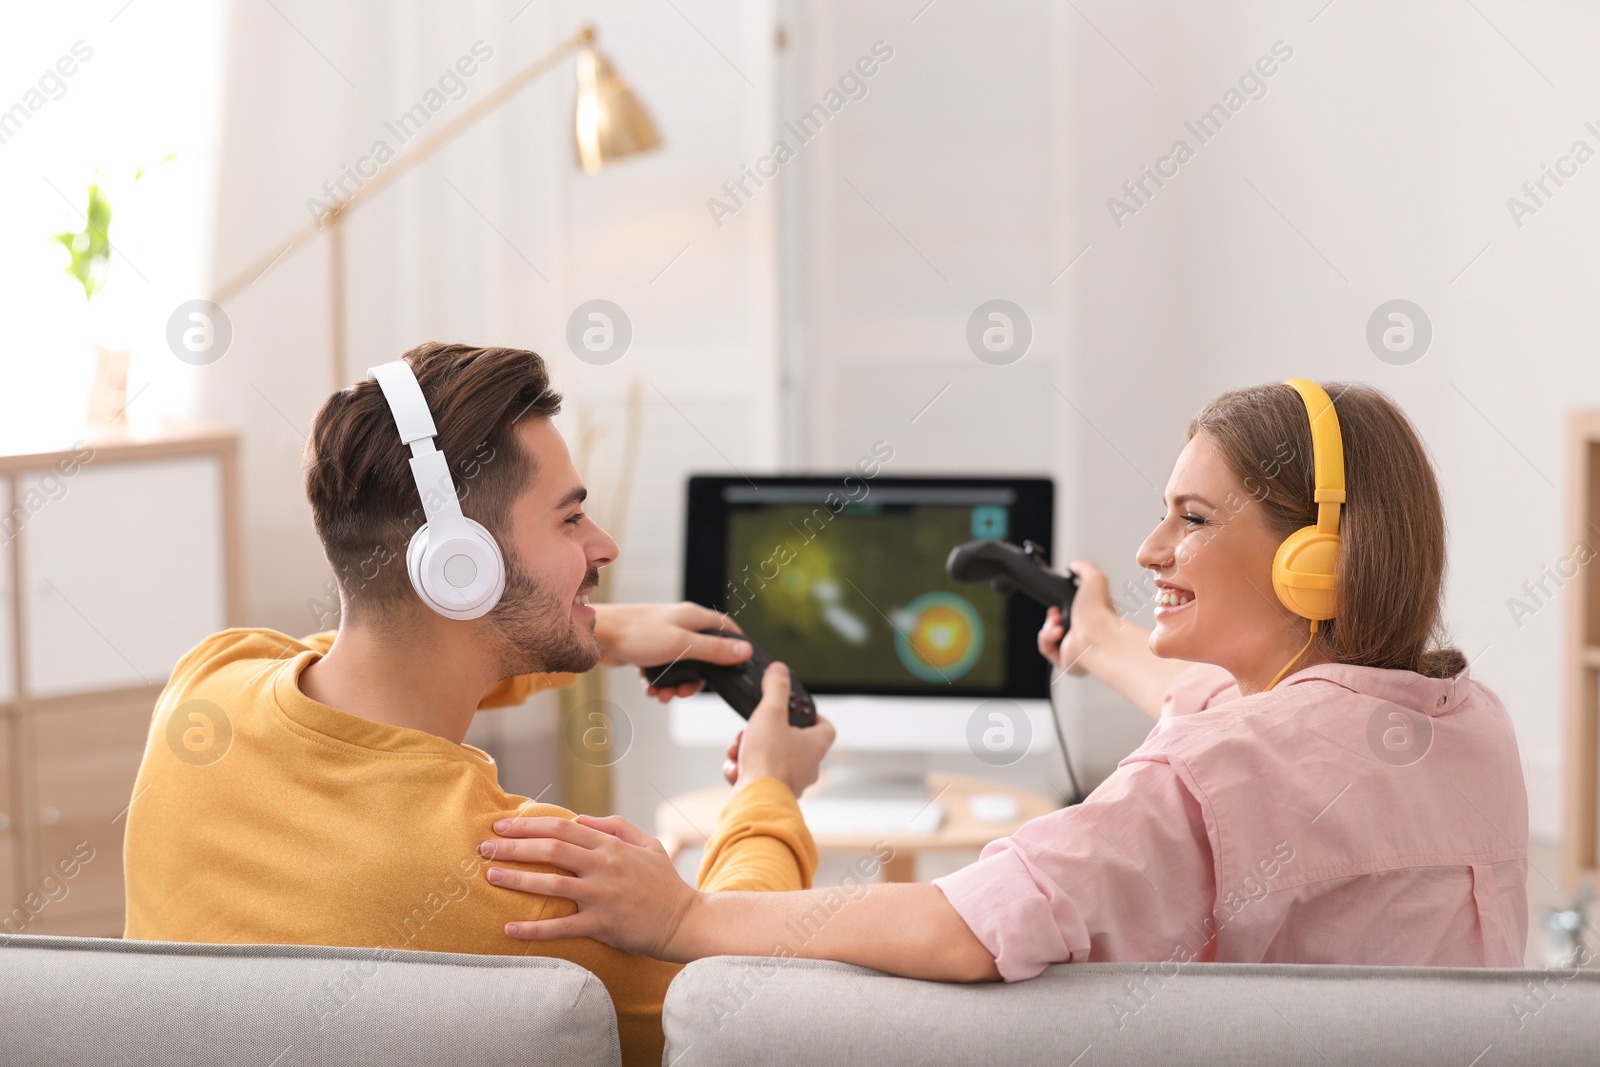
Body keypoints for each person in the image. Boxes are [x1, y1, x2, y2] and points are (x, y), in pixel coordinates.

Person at [478, 378, 1530, 980]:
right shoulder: (1463, 721)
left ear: (1319, 558)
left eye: (1194, 518)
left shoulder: (1215, 768)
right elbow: (1272, 743)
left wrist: (681, 918)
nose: (1152, 545)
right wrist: (1104, 638)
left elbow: (965, 923)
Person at [122, 342, 835, 1067]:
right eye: (570, 520)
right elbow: (735, 1001)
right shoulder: (526, 871)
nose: (605, 544)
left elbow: (387, 653)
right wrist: (768, 790)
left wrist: (606, 630)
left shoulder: (205, 688)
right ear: (460, 568)